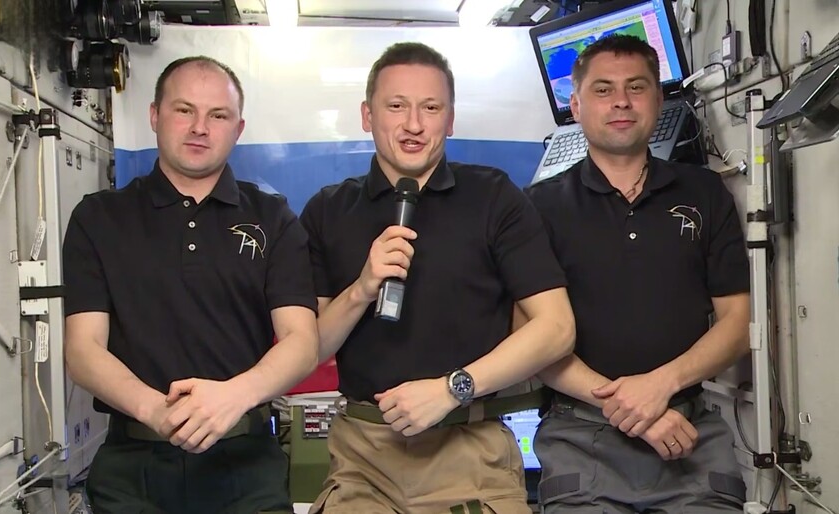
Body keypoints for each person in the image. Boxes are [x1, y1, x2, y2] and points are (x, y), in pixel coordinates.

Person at [299, 41, 576, 514]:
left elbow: (557, 329)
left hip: (471, 452)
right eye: (396, 106)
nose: (413, 124)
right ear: (367, 115)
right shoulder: (328, 209)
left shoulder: (494, 197)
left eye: (430, 108)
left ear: (449, 119)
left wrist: (452, 388)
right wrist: (362, 288)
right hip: (364, 460)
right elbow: (313, 349)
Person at [62, 55, 319, 514]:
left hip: (247, 470)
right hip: (132, 472)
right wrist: (154, 410)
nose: (200, 127)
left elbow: (302, 342)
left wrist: (233, 397)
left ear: (238, 129)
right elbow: (83, 350)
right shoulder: (98, 218)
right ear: (155, 116)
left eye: (218, 115)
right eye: (184, 110)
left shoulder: (273, 218)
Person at [523, 34, 751, 512]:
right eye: (603, 89)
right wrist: (634, 409)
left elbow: (736, 326)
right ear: (576, 106)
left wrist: (660, 385)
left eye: (637, 87)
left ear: (659, 100)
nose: (621, 101)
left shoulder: (706, 192)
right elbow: (530, 340)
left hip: (688, 432)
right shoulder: (537, 208)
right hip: (580, 438)